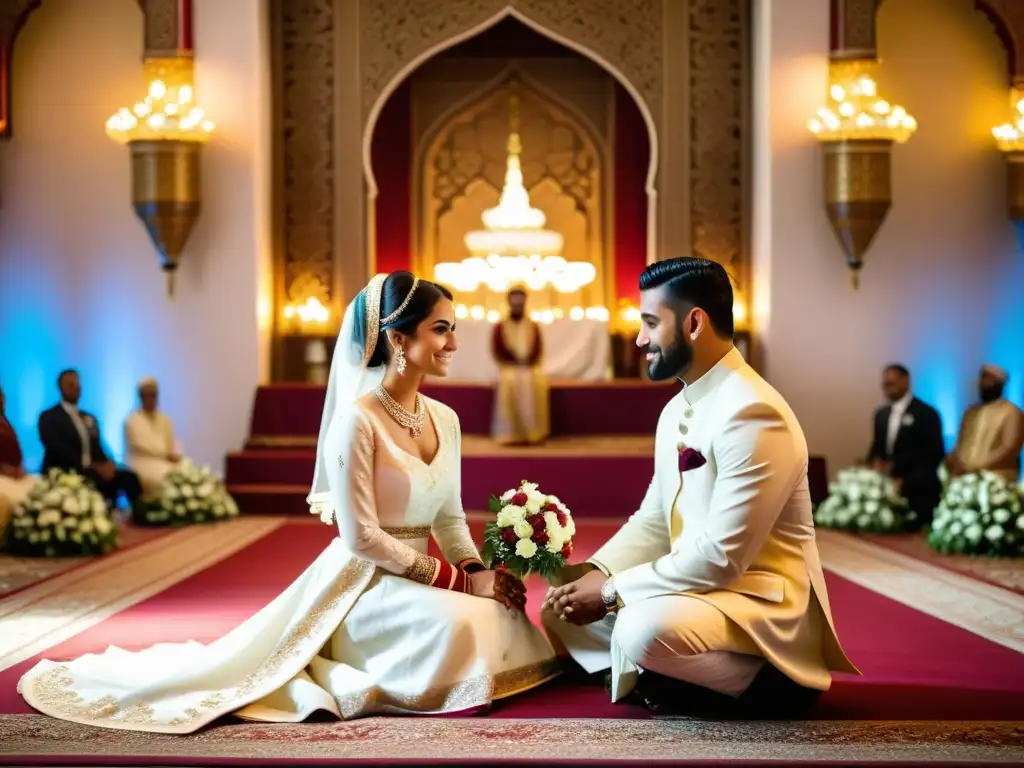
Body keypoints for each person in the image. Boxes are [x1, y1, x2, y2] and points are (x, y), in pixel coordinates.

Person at [18, 271, 558, 733]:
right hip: (367, 580)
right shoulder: (357, 422)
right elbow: (361, 537)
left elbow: (450, 516)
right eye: (441, 329)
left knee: (501, 612)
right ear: (398, 338)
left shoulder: (448, 419)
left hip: (426, 575)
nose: (454, 344)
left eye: (453, 330)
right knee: (465, 623)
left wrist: (476, 568)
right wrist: (462, 584)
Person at [541, 257, 858, 719]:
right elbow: (653, 519)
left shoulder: (753, 412)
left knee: (637, 627)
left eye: (651, 323)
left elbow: (722, 559)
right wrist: (594, 573)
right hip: (694, 595)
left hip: (753, 602)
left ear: (694, 323)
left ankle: (768, 681)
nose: (639, 339)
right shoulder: (676, 408)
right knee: (560, 609)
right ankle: (664, 673)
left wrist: (611, 592)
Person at [37, 369, 142, 514]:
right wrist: (93, 466)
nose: (76, 388)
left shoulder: (88, 417)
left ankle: (140, 515)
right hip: (67, 469)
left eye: (77, 384)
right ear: (61, 388)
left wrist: (108, 463)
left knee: (129, 477)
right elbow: (57, 450)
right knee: (95, 478)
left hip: (93, 467)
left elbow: (97, 446)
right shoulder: (49, 417)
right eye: (70, 384)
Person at [866, 364, 945, 523]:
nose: (887, 388)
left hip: (918, 489)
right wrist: (875, 462)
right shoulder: (881, 414)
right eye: (885, 384)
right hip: (886, 488)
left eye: (892, 383)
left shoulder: (926, 414)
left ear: (905, 381)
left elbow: (932, 455)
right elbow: (877, 446)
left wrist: (904, 479)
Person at [490, 286, 550, 445]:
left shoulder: (533, 325)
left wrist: (529, 361)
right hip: (509, 368)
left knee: (534, 381)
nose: (517, 305)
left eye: (520, 302)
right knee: (510, 380)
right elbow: (498, 349)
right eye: (514, 302)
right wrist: (514, 362)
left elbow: (538, 349)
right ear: (509, 303)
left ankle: (533, 433)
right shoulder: (500, 326)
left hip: (530, 368)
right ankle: (510, 434)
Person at [946, 364, 1023, 484]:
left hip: (996, 480)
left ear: (999, 384)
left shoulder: (1012, 412)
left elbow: (1009, 448)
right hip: (964, 478)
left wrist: (976, 467)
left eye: (989, 380)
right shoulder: (970, 412)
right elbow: (960, 444)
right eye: (982, 379)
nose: (983, 383)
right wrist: (953, 462)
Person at [124, 377, 183, 498]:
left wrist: (175, 454)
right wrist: (166, 455)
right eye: (148, 395)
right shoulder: (132, 420)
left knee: (188, 470)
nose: (151, 399)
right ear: (141, 397)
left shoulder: (164, 419)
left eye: (154, 395)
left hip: (165, 460)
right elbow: (142, 447)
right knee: (166, 476)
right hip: (142, 462)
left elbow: (171, 442)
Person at [0, 383, 36, 532]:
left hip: (14, 476)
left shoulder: (6, 424)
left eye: (1, 396)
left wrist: (20, 469)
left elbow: (16, 454)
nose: (1, 400)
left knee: (38, 488)